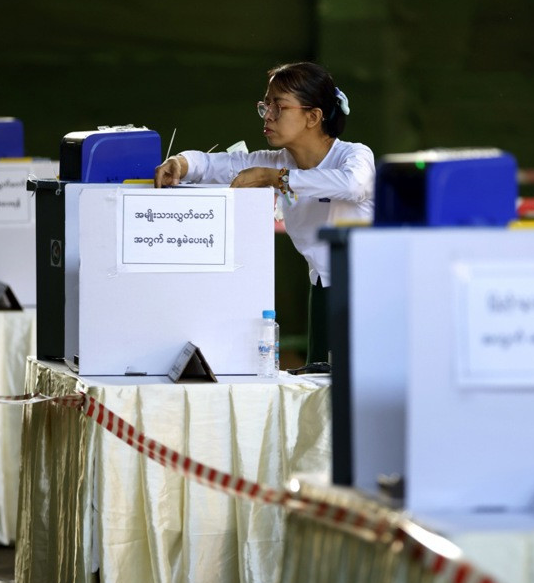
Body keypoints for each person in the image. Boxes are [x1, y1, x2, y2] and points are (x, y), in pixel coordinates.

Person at [154, 61, 375, 364]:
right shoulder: (275, 161)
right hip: (323, 288)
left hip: (370, 290)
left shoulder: (352, 155)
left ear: (313, 116)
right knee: (319, 387)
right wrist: (181, 164)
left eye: (279, 107)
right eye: (265, 105)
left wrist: (277, 179)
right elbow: (213, 165)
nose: (268, 115)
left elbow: (353, 185)